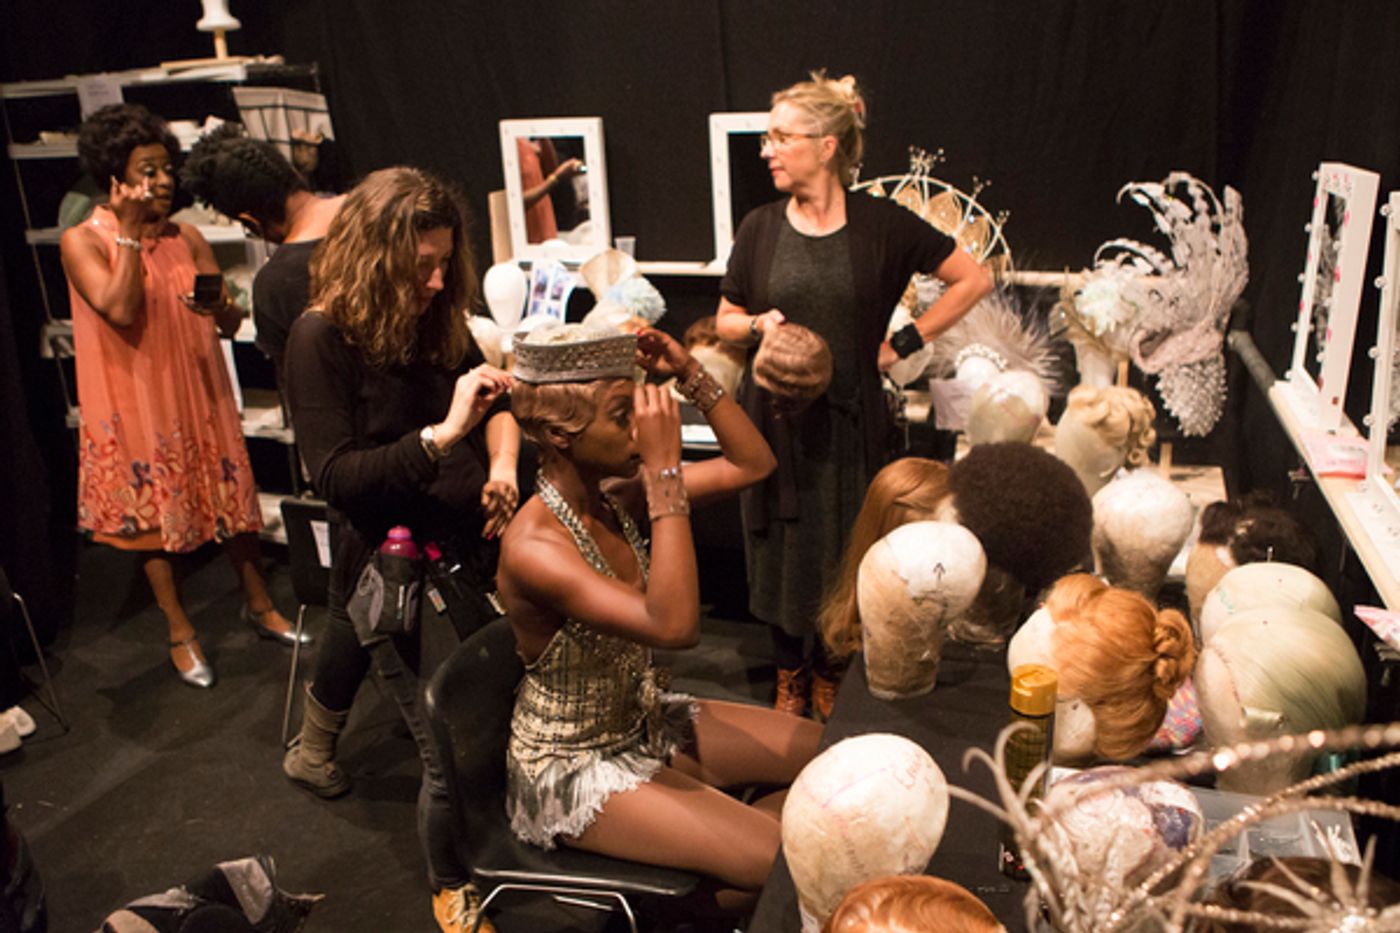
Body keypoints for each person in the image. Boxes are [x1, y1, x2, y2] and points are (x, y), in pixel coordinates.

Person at [499, 323, 822, 918]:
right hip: (574, 767)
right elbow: (675, 627)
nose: (641, 429)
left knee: (832, 758)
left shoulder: (614, 496)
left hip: (641, 721)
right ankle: (691, 904)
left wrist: (691, 375)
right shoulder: (535, 547)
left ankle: (726, 875)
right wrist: (665, 470)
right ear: (559, 434)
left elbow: (754, 463)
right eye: (622, 416)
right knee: (793, 856)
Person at [282, 166, 519, 933]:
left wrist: (503, 465)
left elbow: (493, 398)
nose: (438, 280)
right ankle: (452, 884)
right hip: (393, 568)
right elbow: (337, 477)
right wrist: (442, 437)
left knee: (489, 714)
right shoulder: (321, 337)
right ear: (374, 256)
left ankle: (491, 846)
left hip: (464, 552)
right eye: (421, 265)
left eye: (445, 262)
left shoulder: (433, 317)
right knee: (447, 742)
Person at [714, 71, 992, 718]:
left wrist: (903, 341)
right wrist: (757, 326)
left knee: (846, 546)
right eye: (767, 138)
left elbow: (973, 279)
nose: (767, 150)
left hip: (850, 424)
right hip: (774, 424)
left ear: (828, 144)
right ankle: (789, 673)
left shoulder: (880, 227)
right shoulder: (760, 227)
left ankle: (832, 669)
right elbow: (726, 318)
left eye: (782, 137)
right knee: (781, 550)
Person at [59, 103, 297, 689]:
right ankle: (178, 629)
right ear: (115, 177)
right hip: (138, 396)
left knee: (232, 500)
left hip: (198, 387)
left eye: (167, 168)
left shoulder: (186, 236)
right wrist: (130, 234)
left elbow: (229, 321)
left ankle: (259, 603)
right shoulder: (82, 240)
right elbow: (120, 308)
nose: (164, 181)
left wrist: (219, 305)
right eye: (148, 171)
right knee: (155, 519)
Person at [180, 122, 346, 384]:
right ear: (291, 172)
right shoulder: (382, 207)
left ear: (251, 222)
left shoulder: (276, 284)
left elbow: (300, 389)